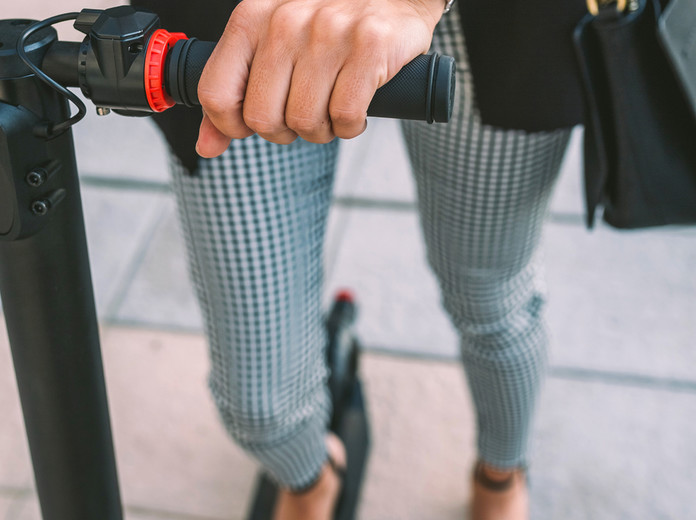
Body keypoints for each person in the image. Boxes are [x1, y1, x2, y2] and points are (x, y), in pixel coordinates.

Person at [132, 0, 590, 518]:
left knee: (493, 302)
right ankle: (310, 480)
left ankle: (501, 473)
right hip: (245, 19)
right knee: (260, 401)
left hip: (495, 23)